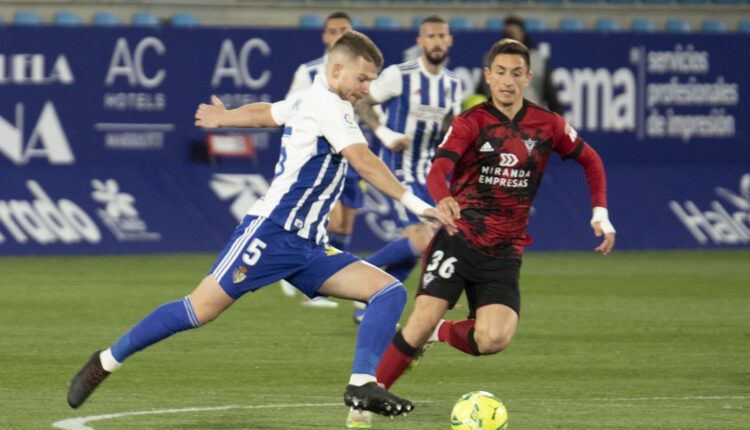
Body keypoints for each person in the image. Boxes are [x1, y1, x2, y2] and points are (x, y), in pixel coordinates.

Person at [66, 32, 456, 420]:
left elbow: (269, 112)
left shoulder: (314, 100)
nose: (367, 88)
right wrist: (417, 204)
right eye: (362, 78)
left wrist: (225, 117)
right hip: (269, 234)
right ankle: (106, 360)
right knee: (198, 310)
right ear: (337, 69)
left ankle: (361, 383)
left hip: (309, 247)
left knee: (387, 291)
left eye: (372, 80)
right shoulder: (329, 107)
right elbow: (363, 160)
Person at [373, 38, 616, 417]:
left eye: (516, 73)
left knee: (493, 339)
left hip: (504, 251)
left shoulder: (547, 124)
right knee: (418, 323)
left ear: (527, 78)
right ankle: (368, 398)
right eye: (500, 72)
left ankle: (438, 334)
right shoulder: (471, 122)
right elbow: (439, 169)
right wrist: (442, 198)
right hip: (457, 239)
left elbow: (592, 160)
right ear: (487, 76)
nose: (507, 81)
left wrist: (600, 213)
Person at [353, 14, 462, 321]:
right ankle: (355, 277)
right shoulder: (399, 75)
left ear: (450, 40)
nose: (437, 42)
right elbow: (362, 103)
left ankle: (370, 298)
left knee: (427, 242)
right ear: (420, 41)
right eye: (431, 36)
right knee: (423, 239)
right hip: (396, 169)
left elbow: (450, 126)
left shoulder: (453, 83)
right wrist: (386, 135)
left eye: (442, 36)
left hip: (428, 170)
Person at [280, 11, 356, 308]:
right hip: (319, 157)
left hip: (350, 154)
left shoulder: (361, 69)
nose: (338, 34)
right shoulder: (309, 71)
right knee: (331, 218)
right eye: (333, 30)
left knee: (346, 225)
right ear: (325, 37)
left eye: (344, 29)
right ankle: (307, 283)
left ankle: (320, 283)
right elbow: (289, 109)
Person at [475, 15, 562, 114]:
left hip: (529, 119)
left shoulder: (538, 60)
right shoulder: (490, 59)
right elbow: (481, 91)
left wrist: (559, 123)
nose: (510, 39)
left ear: (522, 34)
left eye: (513, 35)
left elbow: (550, 96)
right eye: (507, 35)